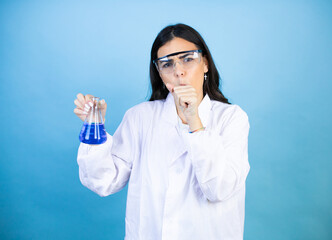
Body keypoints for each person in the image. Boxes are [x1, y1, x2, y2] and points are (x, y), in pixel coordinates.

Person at [74, 23, 250, 240]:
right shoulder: (139, 117)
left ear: (205, 63)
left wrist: (194, 120)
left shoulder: (231, 119)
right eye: (167, 64)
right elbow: (104, 181)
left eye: (187, 58)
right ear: (159, 72)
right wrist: (94, 125)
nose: (178, 71)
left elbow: (219, 189)